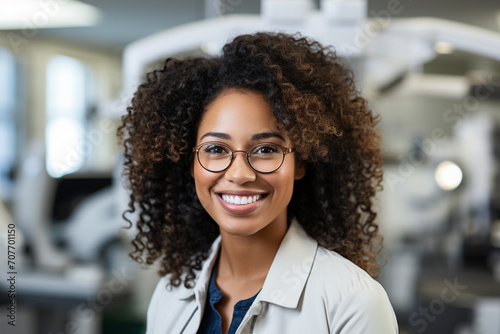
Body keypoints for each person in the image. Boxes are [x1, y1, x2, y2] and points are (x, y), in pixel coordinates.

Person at [118, 32, 398, 334]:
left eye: (266, 150)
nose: (239, 174)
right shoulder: (171, 295)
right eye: (215, 149)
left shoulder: (353, 303)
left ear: (300, 162)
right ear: (190, 163)